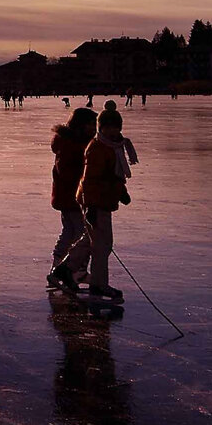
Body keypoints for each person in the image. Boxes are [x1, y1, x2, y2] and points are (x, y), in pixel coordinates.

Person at [49, 108, 131, 301]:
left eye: (117, 127)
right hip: (90, 202)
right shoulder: (95, 148)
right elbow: (89, 179)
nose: (113, 131)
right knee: (96, 242)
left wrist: (121, 192)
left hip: (99, 201)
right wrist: (91, 205)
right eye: (107, 127)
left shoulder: (111, 147)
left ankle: (68, 270)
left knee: (92, 241)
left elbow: (112, 175)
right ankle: (80, 275)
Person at [47, 108, 98, 287]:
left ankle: (60, 268)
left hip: (70, 197)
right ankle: (75, 270)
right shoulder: (71, 145)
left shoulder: (77, 143)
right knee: (83, 235)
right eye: (91, 124)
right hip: (73, 198)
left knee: (70, 232)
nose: (94, 127)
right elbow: (67, 173)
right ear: (80, 125)